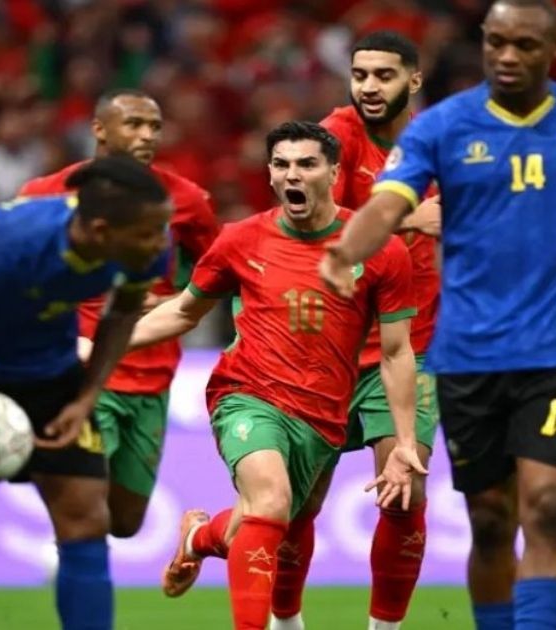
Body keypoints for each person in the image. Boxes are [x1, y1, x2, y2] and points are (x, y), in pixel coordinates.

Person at [319, 1, 556, 628]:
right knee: (491, 520)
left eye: (524, 45)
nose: (507, 56)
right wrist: (345, 252)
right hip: (467, 359)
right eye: (496, 42)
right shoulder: (441, 128)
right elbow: (387, 205)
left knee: (548, 505)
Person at [96, 121, 424, 630]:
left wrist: (404, 441)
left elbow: (398, 351)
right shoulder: (240, 239)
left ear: (334, 173)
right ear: (270, 173)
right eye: (282, 164)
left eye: (307, 164)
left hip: (323, 414)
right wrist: (104, 347)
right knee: (271, 501)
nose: (293, 174)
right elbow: (183, 311)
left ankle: (200, 538)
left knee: (277, 521)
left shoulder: (380, 249)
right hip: (247, 394)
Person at [0, 156, 172, 630]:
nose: (160, 244)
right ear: (101, 231)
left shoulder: (143, 250)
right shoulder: (2, 246)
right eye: (149, 233)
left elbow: (122, 314)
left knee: (88, 522)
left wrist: (86, 397)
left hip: (51, 376)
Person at [269, 31, 441, 630]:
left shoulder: (437, 140)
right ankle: (286, 622)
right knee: (299, 504)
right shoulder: (335, 138)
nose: (368, 86)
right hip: (329, 349)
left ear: (413, 80)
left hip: (409, 345)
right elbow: (315, 233)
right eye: (360, 74)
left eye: (383, 75)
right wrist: (411, 218)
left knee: (405, 493)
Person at [18, 89, 219, 538]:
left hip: (152, 373)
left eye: (154, 127)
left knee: (126, 523)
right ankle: (71, 558)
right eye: (134, 124)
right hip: (82, 367)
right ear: (99, 129)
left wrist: (166, 302)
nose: (147, 135)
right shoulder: (45, 194)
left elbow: (216, 276)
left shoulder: (186, 200)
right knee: (83, 504)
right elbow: (16, 274)